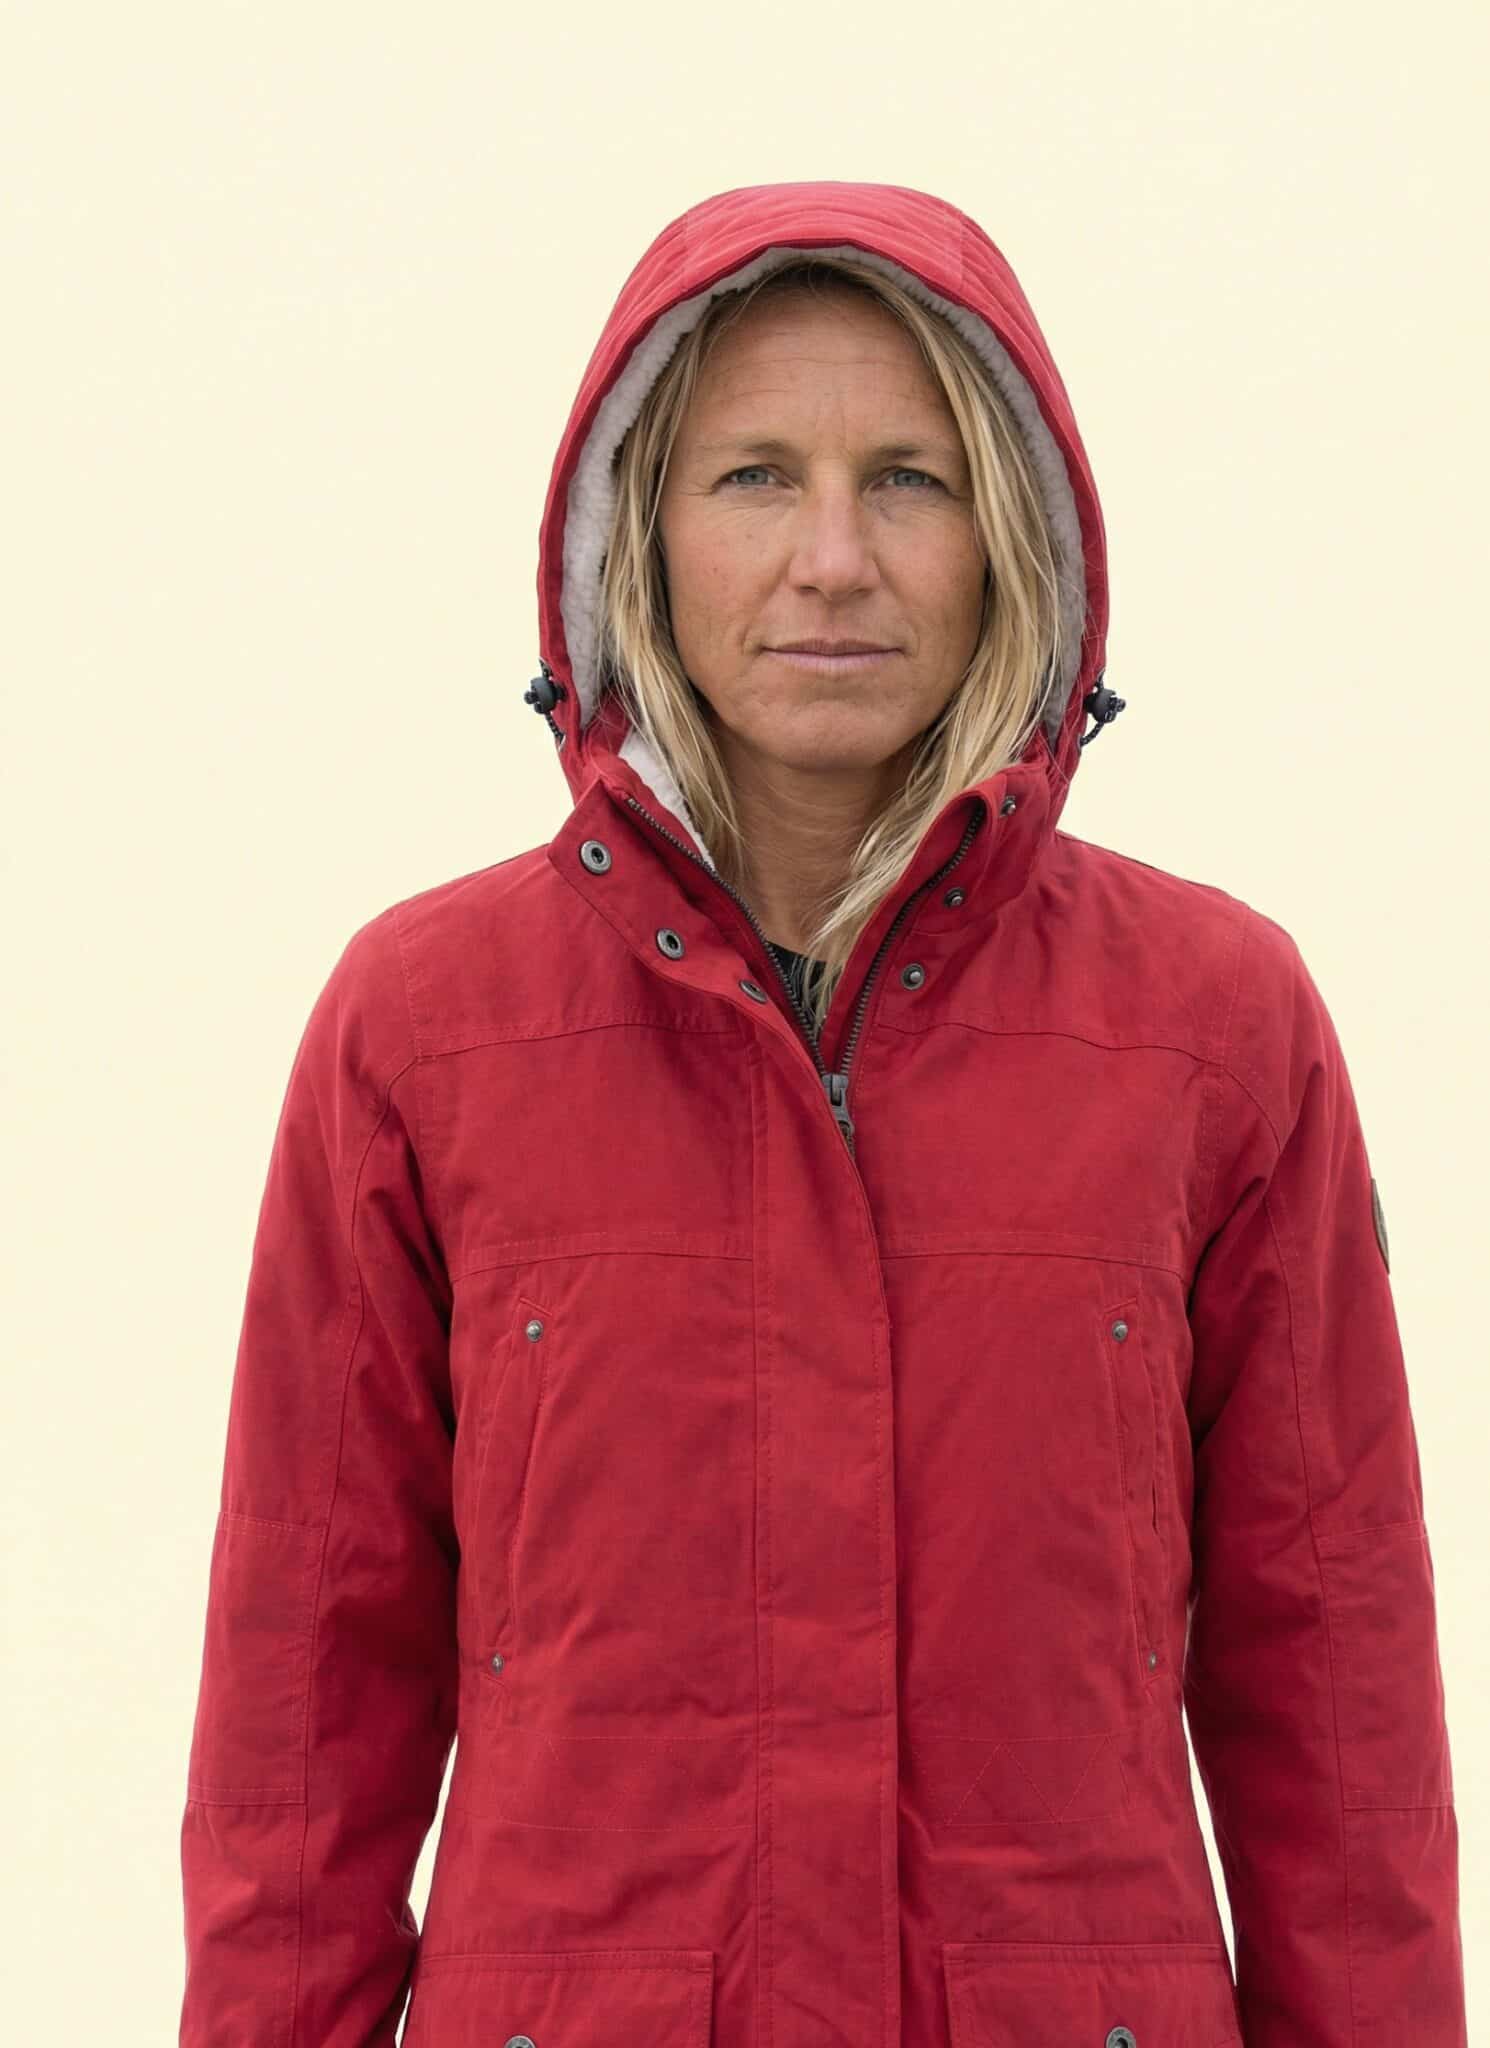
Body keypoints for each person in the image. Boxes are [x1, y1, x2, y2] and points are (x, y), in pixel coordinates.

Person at [178, 180, 1467, 2048]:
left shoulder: (1210, 1028)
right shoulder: (429, 1028)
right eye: (754, 477)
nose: (833, 559)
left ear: (1013, 536)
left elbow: (1332, 1692)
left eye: (911, 480)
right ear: (638, 532)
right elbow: (306, 1696)